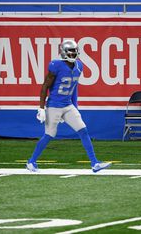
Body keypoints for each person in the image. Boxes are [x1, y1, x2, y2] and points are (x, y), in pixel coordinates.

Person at [26, 39, 112, 173]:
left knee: (83, 130)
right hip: (54, 105)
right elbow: (45, 86)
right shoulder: (55, 65)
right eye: (70, 52)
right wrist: (41, 108)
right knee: (49, 135)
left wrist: (75, 106)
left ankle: (95, 163)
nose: (73, 54)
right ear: (64, 52)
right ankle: (31, 162)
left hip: (68, 105)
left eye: (74, 52)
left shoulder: (79, 66)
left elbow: (74, 88)